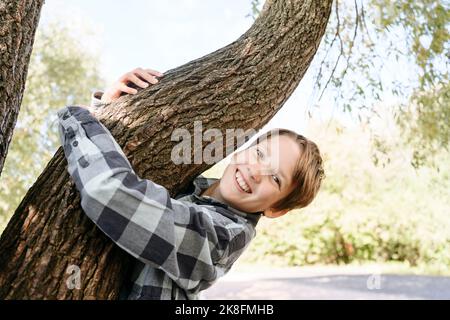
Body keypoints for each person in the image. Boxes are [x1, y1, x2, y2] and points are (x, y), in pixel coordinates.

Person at [57, 67, 325, 300]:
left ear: (276, 209)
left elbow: (108, 191)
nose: (256, 172)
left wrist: (79, 119)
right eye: (259, 153)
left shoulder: (223, 236)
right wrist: (109, 110)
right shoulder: (189, 184)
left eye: (275, 178)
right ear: (241, 148)